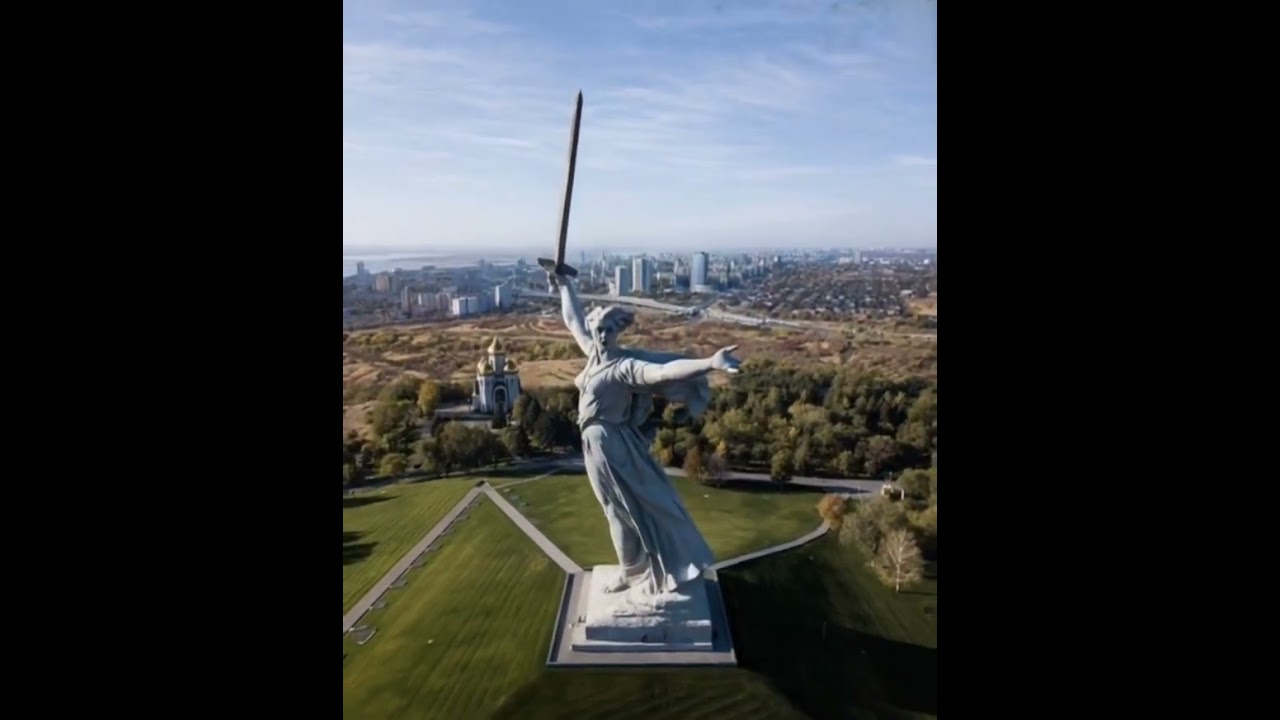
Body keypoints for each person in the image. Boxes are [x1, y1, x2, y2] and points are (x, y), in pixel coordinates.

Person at [549, 271, 741, 596]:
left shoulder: (623, 367)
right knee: (614, 508)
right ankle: (632, 568)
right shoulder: (593, 354)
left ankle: (633, 571)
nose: (601, 335)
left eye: (609, 330)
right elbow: (573, 320)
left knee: (620, 509)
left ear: (618, 332)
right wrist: (564, 283)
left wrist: (709, 362)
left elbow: (664, 371)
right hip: (594, 443)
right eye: (599, 329)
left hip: (610, 445)